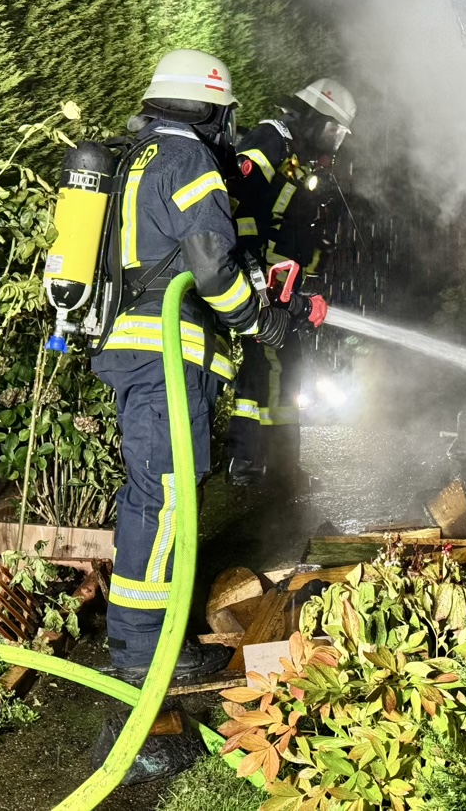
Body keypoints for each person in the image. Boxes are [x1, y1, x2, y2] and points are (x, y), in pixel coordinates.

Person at [91, 48, 306, 689]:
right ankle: (142, 648)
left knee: (155, 492)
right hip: (165, 353)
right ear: (212, 110)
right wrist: (257, 319)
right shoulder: (187, 158)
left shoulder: (139, 156)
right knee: (163, 495)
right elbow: (211, 266)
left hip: (136, 347)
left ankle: (144, 636)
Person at [225, 78, 356, 487]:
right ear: (317, 119)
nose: (335, 143)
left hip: (281, 284)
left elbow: (294, 229)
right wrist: (255, 272)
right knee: (268, 367)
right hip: (263, 281)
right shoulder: (269, 140)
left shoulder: (297, 158)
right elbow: (237, 203)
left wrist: (306, 283)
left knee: (281, 367)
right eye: (334, 131)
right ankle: (255, 466)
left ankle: (274, 465)